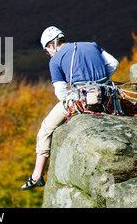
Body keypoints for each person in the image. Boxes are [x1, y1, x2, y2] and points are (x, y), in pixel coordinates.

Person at [21, 26, 119, 190]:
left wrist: (76, 95)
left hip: (82, 100)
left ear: (51, 45)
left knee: (45, 129)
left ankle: (37, 175)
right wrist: (99, 83)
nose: (49, 54)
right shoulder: (92, 45)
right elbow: (113, 63)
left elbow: (61, 94)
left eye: (48, 50)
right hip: (108, 96)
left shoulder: (55, 60)